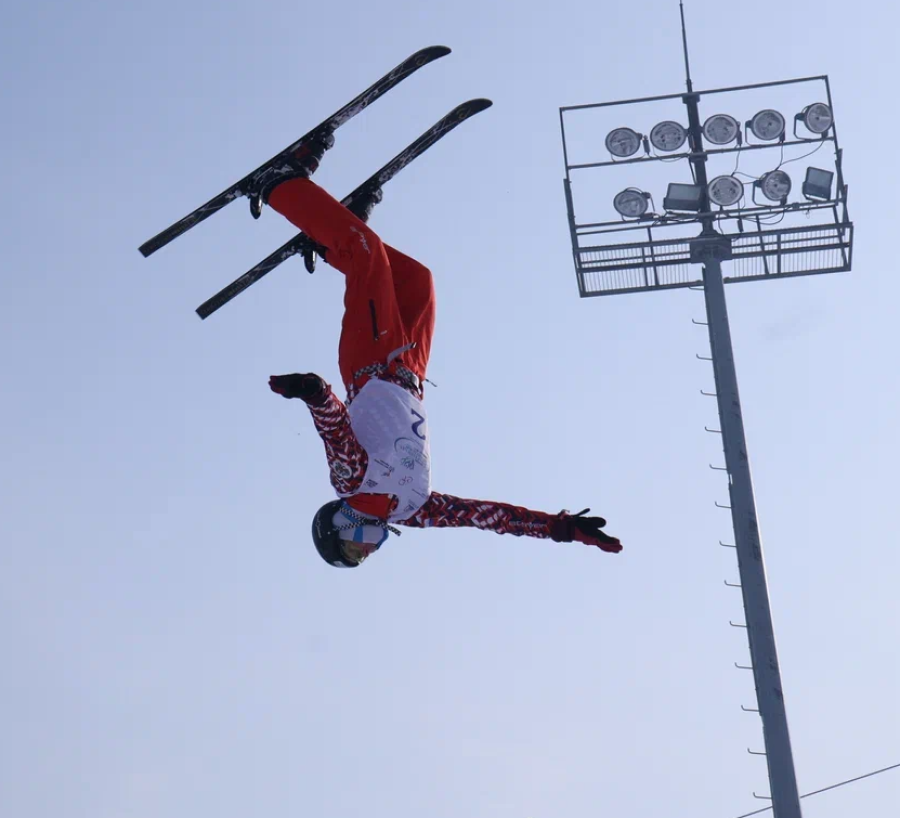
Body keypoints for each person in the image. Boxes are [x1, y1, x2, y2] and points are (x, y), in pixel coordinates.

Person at [256, 136, 622, 568]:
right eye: (368, 554)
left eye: (355, 545)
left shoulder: (352, 483)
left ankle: (279, 186)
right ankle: (334, 234)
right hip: (410, 368)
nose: (369, 546)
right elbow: (487, 518)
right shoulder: (415, 508)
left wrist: (314, 392)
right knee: (417, 280)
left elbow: (335, 432)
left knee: (368, 254)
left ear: (340, 522)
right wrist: (559, 528)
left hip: (370, 364)